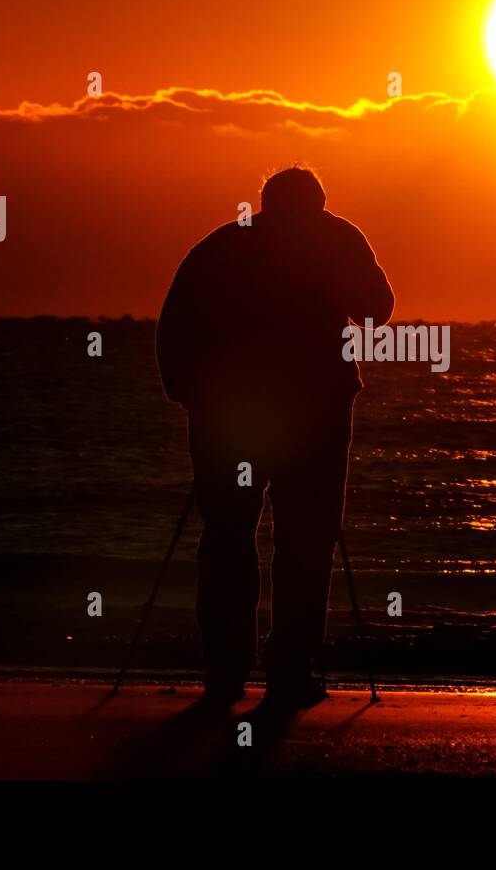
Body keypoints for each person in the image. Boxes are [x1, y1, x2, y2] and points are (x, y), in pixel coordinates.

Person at [156, 167, 394, 711]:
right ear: (317, 204)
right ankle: (284, 669)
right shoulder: (336, 237)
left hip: (234, 416)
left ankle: (228, 671)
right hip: (307, 413)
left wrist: (189, 392)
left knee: (230, 536)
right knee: (300, 538)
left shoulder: (223, 246)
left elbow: (176, 325)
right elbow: (378, 310)